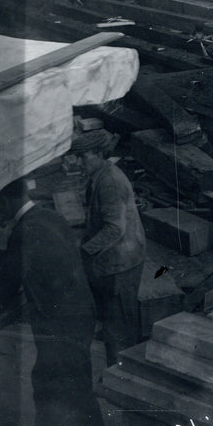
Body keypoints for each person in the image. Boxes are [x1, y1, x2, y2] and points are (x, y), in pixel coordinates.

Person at [0, 179, 102, 426]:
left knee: (48, 384)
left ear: (3, 202)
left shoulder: (25, 231)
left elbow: (5, 287)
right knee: (77, 377)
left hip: (60, 322)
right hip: (81, 311)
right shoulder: (50, 216)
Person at [74, 130, 145, 367]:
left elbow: (114, 229)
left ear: (98, 154)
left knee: (119, 328)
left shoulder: (110, 182)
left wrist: (83, 251)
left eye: (82, 157)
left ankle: (121, 378)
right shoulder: (101, 176)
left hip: (121, 264)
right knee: (113, 323)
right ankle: (118, 370)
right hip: (113, 261)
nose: (78, 162)